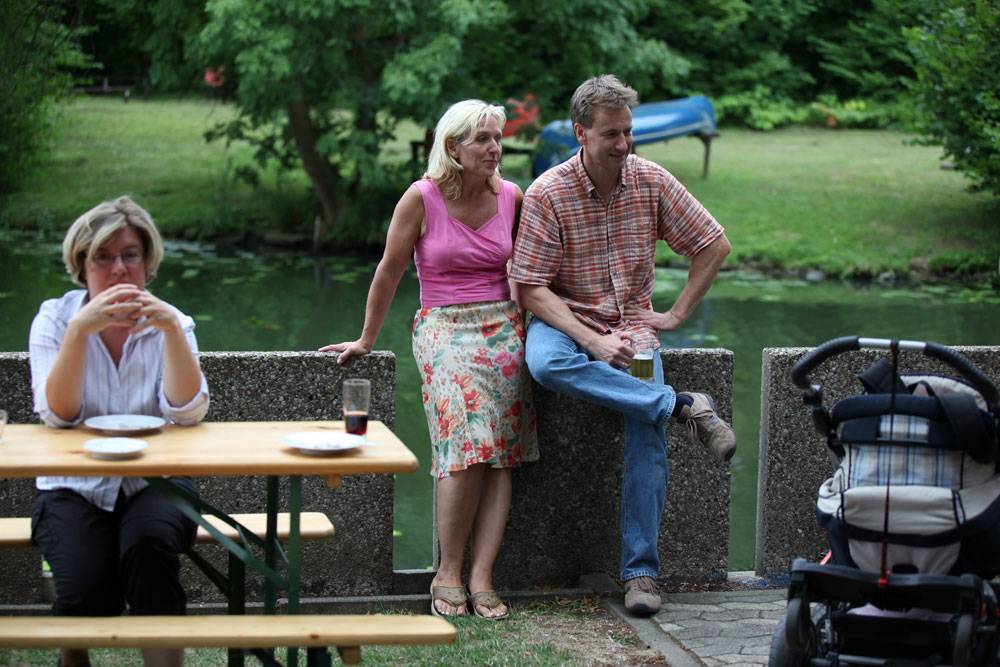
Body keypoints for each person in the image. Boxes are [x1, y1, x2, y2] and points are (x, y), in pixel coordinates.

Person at [510, 75, 736, 617]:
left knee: (645, 430)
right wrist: (590, 338)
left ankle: (641, 575)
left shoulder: (650, 180)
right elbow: (530, 288)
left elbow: (713, 244)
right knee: (545, 363)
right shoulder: (548, 192)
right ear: (580, 132)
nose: (624, 143)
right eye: (611, 133)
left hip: (633, 326)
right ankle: (683, 405)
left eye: (627, 132)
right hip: (566, 319)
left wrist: (677, 314)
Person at [320, 100, 538, 620]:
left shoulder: (511, 196)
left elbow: (529, 272)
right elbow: (389, 270)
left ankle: (482, 576)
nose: (494, 147)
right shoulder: (421, 197)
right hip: (443, 327)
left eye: (497, 137)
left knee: (500, 455)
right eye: (482, 139)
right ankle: (447, 571)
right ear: (453, 147)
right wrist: (366, 338)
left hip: (504, 328)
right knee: (465, 443)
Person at [29, 196, 210, 667]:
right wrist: (79, 332)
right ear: (81, 266)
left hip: (158, 480)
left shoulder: (173, 320)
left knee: (150, 552)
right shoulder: (55, 321)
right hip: (72, 484)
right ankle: (74, 653)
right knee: (83, 589)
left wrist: (171, 331)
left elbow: (187, 413)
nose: (118, 270)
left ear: (147, 264)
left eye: (130, 255)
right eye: (103, 257)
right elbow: (57, 415)